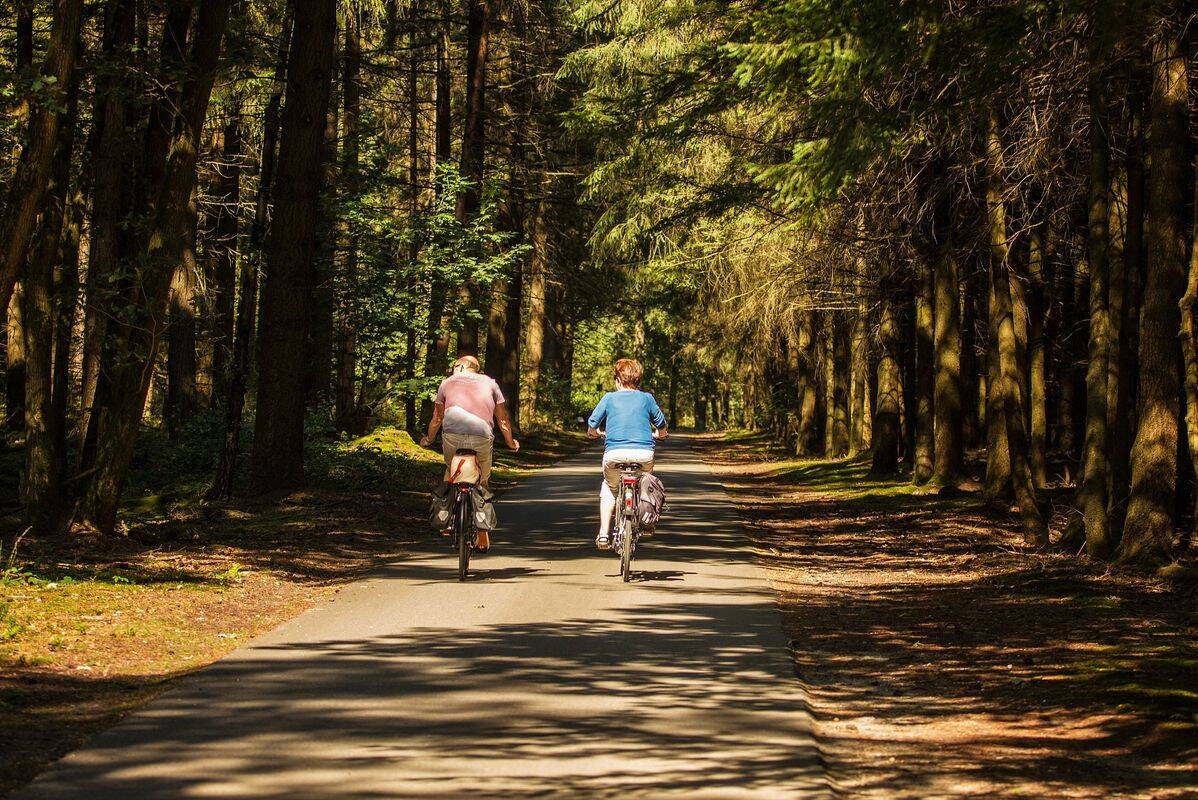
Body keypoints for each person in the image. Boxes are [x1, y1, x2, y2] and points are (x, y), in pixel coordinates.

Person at [421, 356, 519, 551]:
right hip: (481, 436)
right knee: (482, 480)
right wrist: (510, 442)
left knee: (451, 470)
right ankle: (482, 533)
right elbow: (503, 419)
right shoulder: (491, 384)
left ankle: (447, 518)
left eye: (455, 365)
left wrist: (428, 440)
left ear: (463, 366)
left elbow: (437, 418)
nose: (453, 369)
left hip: (452, 436)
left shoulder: (446, 383)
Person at [586, 358, 667, 549]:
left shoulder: (609, 398)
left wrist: (595, 434)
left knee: (610, 487)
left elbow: (592, 426)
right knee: (642, 482)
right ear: (638, 380)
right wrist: (660, 434)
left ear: (618, 379)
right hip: (643, 455)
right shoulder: (647, 398)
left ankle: (604, 533)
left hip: (614, 455)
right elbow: (661, 425)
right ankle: (644, 519)